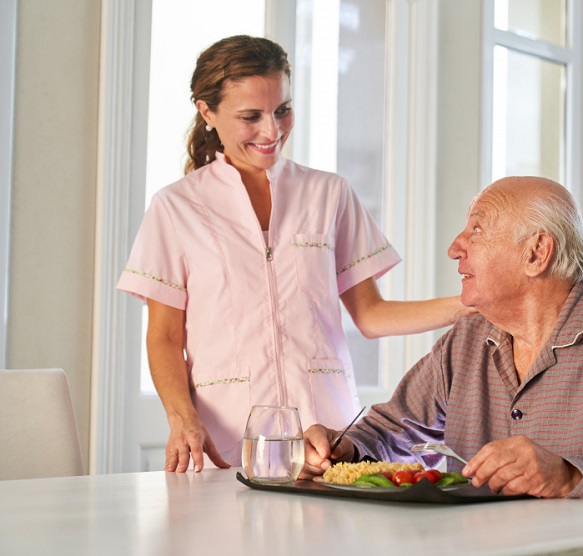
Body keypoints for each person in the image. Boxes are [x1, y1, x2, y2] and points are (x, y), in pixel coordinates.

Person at [117, 35, 470, 473]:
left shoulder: (328, 193)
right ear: (207, 113)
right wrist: (182, 417)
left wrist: (468, 306)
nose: (272, 130)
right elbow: (165, 338)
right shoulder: (176, 208)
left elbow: (371, 315)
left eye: (282, 110)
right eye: (251, 116)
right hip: (228, 441)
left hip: (330, 437)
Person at [303, 176, 583, 507]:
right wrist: (345, 448)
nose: (454, 248)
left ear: (537, 252)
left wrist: (569, 478)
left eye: (477, 230)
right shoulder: (467, 338)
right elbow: (390, 430)